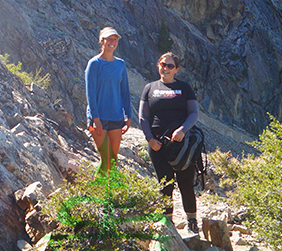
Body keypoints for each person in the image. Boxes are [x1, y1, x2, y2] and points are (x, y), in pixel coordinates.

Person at [139, 52, 200, 233]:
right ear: (158, 65)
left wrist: (183, 129)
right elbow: (143, 116)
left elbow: (194, 113)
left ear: (177, 69)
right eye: (163, 64)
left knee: (186, 182)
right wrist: (150, 138)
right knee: (165, 184)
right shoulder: (149, 88)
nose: (165, 68)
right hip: (157, 143)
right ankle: (168, 225)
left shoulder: (184, 88)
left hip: (182, 143)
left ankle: (192, 222)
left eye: (170, 66)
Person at [84, 27, 132, 175]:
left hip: (116, 117)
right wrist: (95, 118)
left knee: (113, 160)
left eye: (115, 39)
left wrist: (128, 116)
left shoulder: (120, 64)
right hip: (98, 119)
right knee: (106, 158)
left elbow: (125, 92)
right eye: (109, 39)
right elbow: (90, 93)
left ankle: (107, 194)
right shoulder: (94, 64)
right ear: (102, 41)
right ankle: (96, 191)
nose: (112, 42)